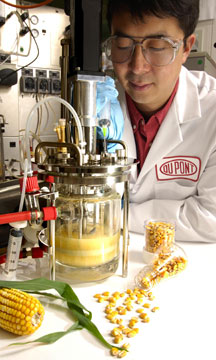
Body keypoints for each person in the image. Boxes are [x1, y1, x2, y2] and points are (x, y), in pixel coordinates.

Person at [98, 0, 216, 242]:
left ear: (186, 48)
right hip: (102, 253)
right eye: (122, 45)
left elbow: (210, 218)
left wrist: (116, 215)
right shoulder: (96, 105)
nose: (138, 67)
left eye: (158, 47)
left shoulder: (212, 111)